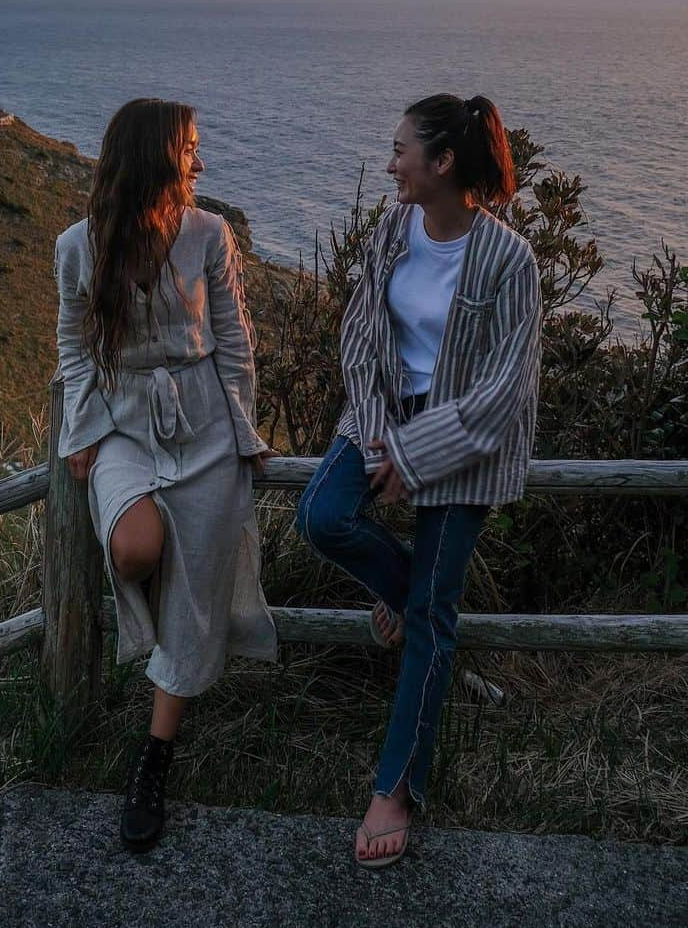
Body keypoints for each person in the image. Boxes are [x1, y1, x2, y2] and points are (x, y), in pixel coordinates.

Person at [296, 94, 541, 869]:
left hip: (462, 447)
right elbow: (361, 330)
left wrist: (415, 452)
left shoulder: (509, 260)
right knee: (320, 515)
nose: (391, 160)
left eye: (402, 149)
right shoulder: (392, 228)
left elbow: (505, 392)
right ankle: (405, 595)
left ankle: (395, 788)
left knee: (433, 615)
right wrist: (378, 441)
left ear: (442, 164)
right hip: (379, 419)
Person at [54, 98, 277, 852]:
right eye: (190, 149)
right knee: (136, 549)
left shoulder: (209, 233)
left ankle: (155, 753)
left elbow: (234, 340)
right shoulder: (78, 248)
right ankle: (159, 655)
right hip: (123, 425)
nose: (200, 163)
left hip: (207, 425)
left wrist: (244, 428)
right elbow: (74, 343)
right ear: (155, 156)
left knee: (193, 592)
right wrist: (81, 428)